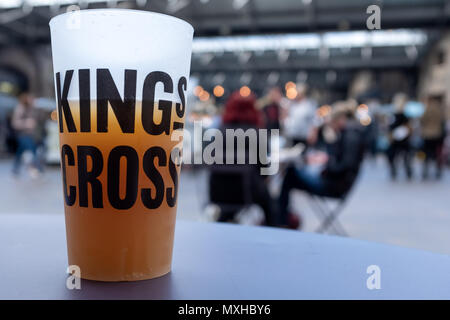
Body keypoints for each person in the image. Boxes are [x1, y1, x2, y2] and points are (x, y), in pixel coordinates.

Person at [278, 103, 365, 227]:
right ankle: (282, 217)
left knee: (290, 174)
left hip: (333, 185)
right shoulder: (353, 133)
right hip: (335, 182)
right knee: (292, 173)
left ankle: (281, 219)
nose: (332, 127)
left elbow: (344, 165)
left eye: (332, 123)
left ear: (339, 120)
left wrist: (327, 164)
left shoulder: (350, 136)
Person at [208, 91, 278, 226]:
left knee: (230, 202)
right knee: (270, 204)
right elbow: (265, 170)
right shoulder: (257, 134)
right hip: (249, 191)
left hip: (219, 191)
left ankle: (222, 222)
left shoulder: (219, 132)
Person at [11, 92, 43, 177]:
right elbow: (15, 123)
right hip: (22, 135)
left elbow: (38, 118)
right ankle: (36, 168)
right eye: (31, 99)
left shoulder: (31, 108)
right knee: (32, 150)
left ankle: (15, 169)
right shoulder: (20, 108)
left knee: (19, 152)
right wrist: (26, 123)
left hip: (30, 134)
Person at [386, 93, 413, 180]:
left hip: (399, 139)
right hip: (400, 139)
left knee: (400, 155)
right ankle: (406, 170)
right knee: (403, 155)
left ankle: (402, 170)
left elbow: (390, 127)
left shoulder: (397, 116)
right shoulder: (401, 116)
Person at [420, 95, 446, 179]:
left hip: (427, 134)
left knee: (426, 153)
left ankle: (425, 170)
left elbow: (422, 120)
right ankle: (438, 170)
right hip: (437, 134)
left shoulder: (427, 109)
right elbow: (443, 121)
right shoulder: (440, 109)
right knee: (437, 153)